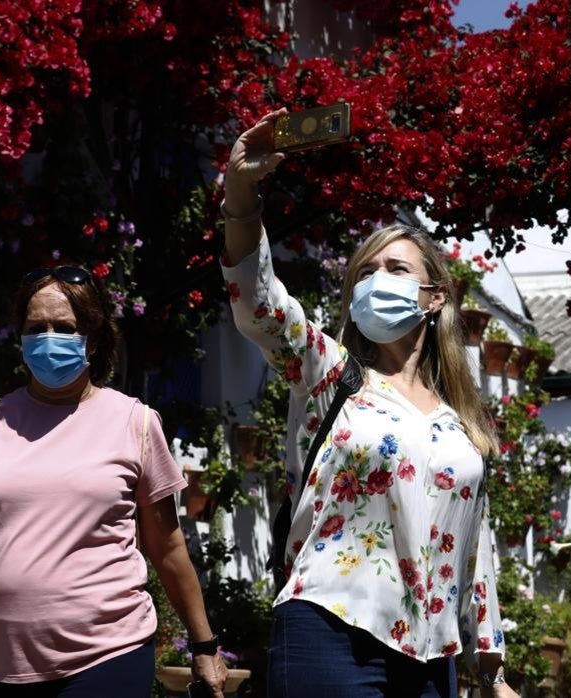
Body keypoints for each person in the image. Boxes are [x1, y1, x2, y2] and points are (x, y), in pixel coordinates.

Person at [219, 109, 519, 698]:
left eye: (395, 269)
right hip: (329, 631)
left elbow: (474, 545)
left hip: (433, 657)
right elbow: (258, 304)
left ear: (434, 298)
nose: (377, 279)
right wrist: (241, 195)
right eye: (365, 272)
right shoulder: (331, 373)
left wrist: (493, 666)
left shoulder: (462, 424)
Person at [0, 267, 228, 697]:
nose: (48, 338)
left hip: (107, 657)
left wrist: (203, 645)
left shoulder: (136, 423)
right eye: (36, 328)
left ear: (92, 337)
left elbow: (166, 547)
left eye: (64, 327)